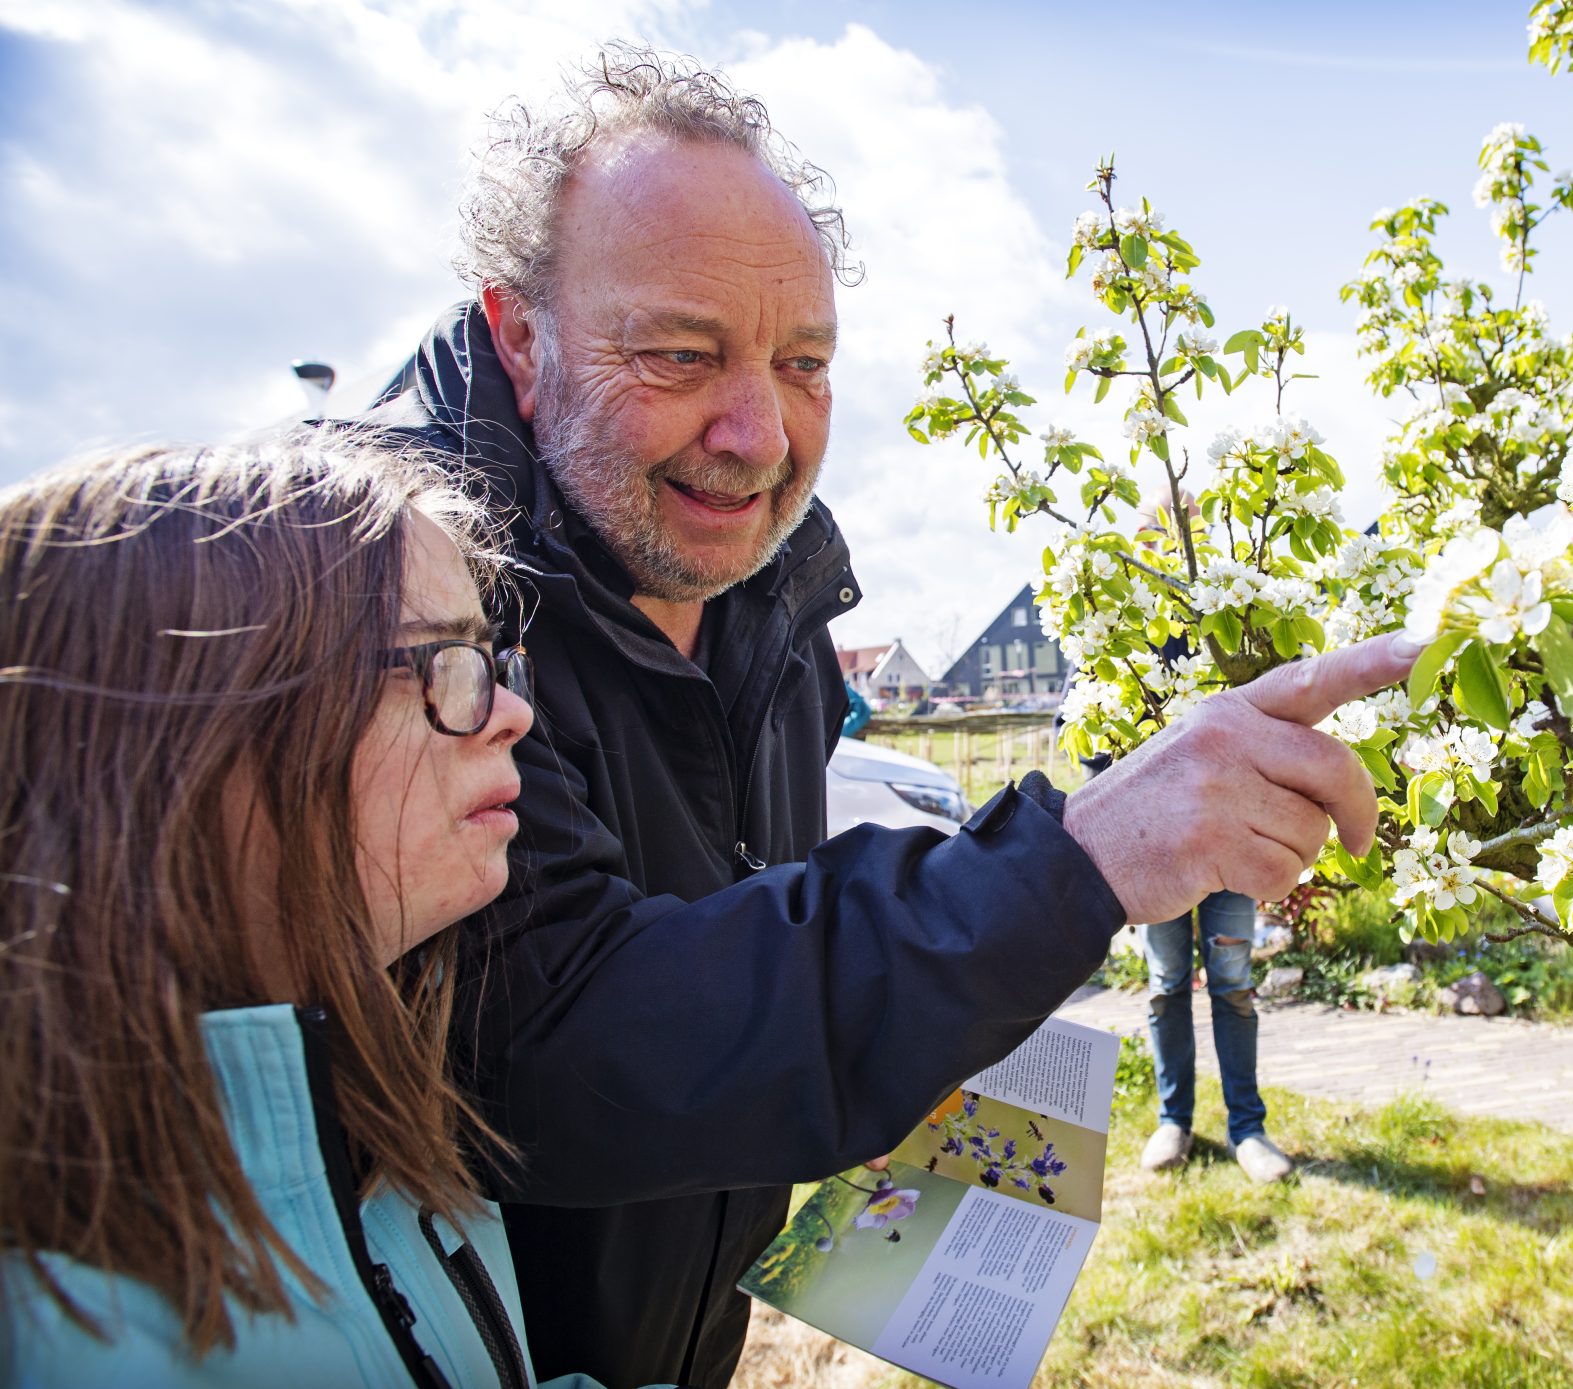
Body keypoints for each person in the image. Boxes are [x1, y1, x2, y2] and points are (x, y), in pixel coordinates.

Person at [357, 43, 1418, 1388]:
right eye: (684, 354)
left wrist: (913, 1037)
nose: (758, 431)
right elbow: (555, 1046)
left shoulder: (768, 587)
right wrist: (1071, 865)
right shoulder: (386, 585)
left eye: (805, 362)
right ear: (520, 333)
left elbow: (758, 933)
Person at [0, 438, 619, 1386]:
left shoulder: (371, 1123)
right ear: (192, 736)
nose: (509, 713)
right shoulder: (53, 1331)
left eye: (495, 660)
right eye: (446, 661)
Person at [1138, 889, 1292, 1182]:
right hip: (1160, 861)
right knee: (1165, 991)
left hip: (1231, 863)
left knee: (1234, 990)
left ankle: (1247, 1131)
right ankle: (1173, 1122)